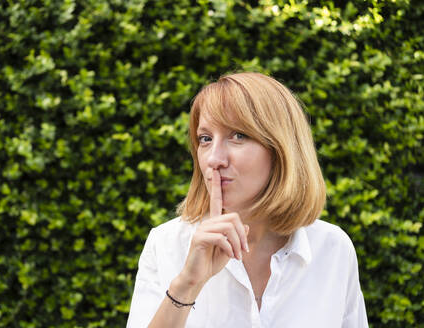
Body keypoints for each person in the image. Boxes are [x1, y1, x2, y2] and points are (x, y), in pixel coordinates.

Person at [127, 72, 369, 327]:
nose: (214, 159)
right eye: (205, 139)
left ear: (281, 149)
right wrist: (187, 285)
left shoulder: (332, 249)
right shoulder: (166, 244)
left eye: (238, 136)